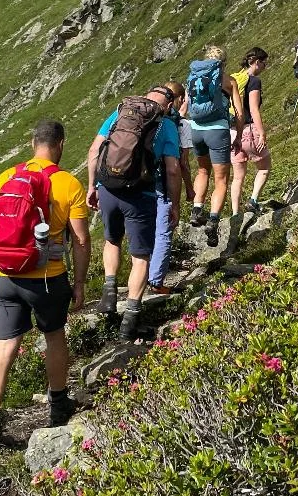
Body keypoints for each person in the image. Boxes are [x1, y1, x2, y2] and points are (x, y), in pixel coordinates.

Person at [0, 119, 91, 462]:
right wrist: (80, 283)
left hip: (7, 276)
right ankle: (57, 407)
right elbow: (80, 240)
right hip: (48, 279)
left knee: (4, 350)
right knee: (54, 336)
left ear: (32, 142)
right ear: (61, 144)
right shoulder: (67, 183)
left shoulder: (6, 178)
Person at [87, 85, 182, 340]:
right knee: (140, 257)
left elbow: (94, 151)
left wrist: (92, 186)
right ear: (169, 105)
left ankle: (109, 292)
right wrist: (174, 203)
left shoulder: (120, 114)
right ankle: (130, 321)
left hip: (108, 189)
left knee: (111, 240)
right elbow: (172, 170)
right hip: (141, 195)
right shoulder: (167, 126)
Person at [186, 45, 244, 247]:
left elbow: (187, 105)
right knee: (221, 180)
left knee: (203, 170)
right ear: (223, 62)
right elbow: (239, 112)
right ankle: (213, 220)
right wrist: (238, 135)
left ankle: (196, 209)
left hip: (196, 130)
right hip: (217, 131)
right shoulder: (228, 81)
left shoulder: (194, 76)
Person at [147, 83, 195, 295]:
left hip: (140, 181)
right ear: (181, 99)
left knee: (144, 229)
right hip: (164, 182)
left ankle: (139, 274)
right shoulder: (181, 125)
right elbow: (181, 164)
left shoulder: (143, 116)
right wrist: (189, 189)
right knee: (164, 230)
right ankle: (156, 281)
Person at [229, 48, 272, 218]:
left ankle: (234, 214)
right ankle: (252, 201)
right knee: (264, 168)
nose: (264, 66)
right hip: (249, 130)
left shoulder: (234, 80)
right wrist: (261, 132)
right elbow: (253, 109)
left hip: (232, 132)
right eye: (263, 62)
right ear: (256, 62)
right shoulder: (254, 81)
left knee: (238, 177)